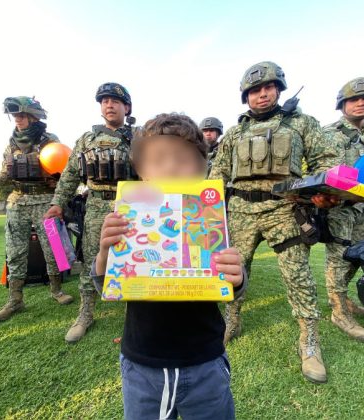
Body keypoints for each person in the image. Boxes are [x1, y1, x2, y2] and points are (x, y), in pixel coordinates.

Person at [93, 113, 246, 419]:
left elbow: (230, 286)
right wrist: (104, 253)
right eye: (158, 159)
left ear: (203, 170)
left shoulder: (210, 218)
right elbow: (106, 285)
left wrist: (237, 277)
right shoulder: (126, 218)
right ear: (141, 172)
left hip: (204, 359)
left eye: (184, 159)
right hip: (142, 361)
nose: (171, 167)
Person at [209, 61, 341, 384]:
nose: (262, 94)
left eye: (269, 87)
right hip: (240, 211)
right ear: (246, 96)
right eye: (255, 90)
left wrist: (321, 192)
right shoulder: (234, 133)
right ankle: (231, 320)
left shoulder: (301, 124)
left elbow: (327, 162)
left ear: (279, 89)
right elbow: (217, 175)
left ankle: (309, 341)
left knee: (298, 275)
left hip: (284, 209)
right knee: (232, 271)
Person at [0, 96, 73, 322]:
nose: (17, 119)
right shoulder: (11, 143)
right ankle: (15, 300)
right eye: (15, 116)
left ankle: (57, 290)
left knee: (54, 248)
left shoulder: (50, 140)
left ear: (32, 116)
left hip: (45, 202)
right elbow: (4, 177)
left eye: (21, 115)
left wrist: (58, 182)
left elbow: (63, 168)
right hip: (17, 203)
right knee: (15, 251)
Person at [45, 83, 137, 343]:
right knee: (91, 261)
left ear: (127, 107)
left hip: (131, 205)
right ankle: (85, 314)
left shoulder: (140, 138)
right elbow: (70, 175)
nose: (109, 105)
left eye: (115, 101)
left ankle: (134, 320)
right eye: (104, 101)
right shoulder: (87, 139)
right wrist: (57, 203)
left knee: (133, 259)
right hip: (96, 206)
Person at [321, 78, 364, 343]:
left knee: (358, 255)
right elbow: (324, 171)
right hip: (340, 205)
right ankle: (339, 312)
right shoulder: (329, 133)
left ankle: (344, 300)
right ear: (342, 104)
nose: (360, 103)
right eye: (353, 99)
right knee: (339, 257)